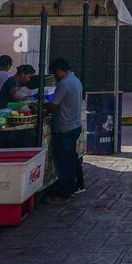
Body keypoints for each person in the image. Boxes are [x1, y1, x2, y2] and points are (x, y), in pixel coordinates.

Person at [46, 58, 85, 201]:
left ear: (59, 70)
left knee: (64, 160)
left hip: (64, 127)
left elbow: (54, 105)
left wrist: (42, 106)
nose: (54, 76)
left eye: (54, 73)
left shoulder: (63, 83)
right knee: (72, 157)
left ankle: (66, 189)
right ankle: (79, 184)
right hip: (74, 125)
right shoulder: (76, 80)